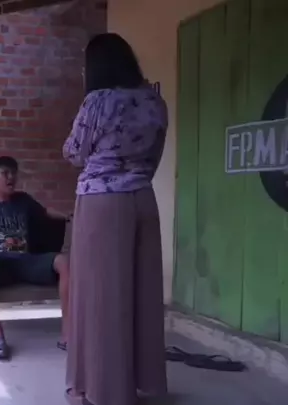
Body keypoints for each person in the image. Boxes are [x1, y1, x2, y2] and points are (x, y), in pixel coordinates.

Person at [63, 33, 168, 405]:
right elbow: (156, 154)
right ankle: (143, 381)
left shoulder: (98, 101)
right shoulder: (154, 101)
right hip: (143, 199)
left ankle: (104, 390)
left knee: (100, 297)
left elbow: (74, 152)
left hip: (102, 203)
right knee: (141, 294)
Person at [0, 156, 70, 361]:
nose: (11, 177)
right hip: (0, 265)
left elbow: (45, 213)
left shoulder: (23, 200)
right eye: (5, 173)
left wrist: (69, 216)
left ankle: (68, 334)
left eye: (14, 173)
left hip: (27, 262)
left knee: (64, 262)